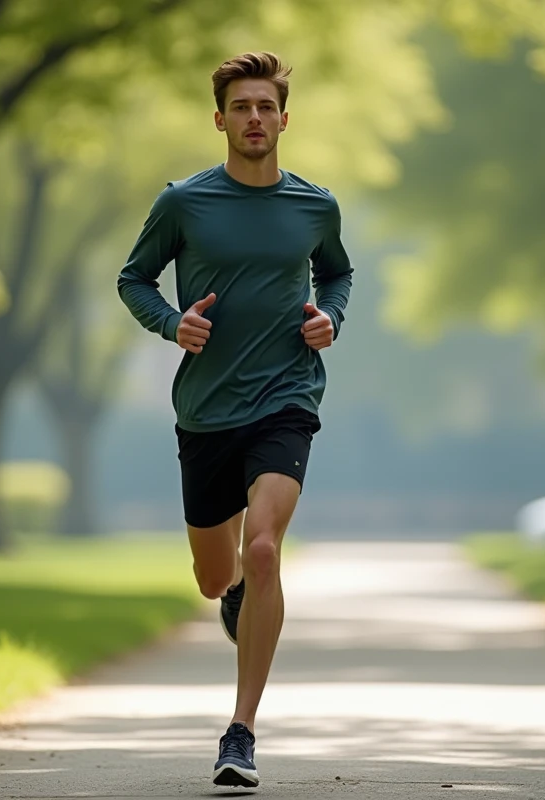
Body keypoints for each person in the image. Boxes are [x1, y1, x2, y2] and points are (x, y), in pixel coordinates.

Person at [115, 51, 353, 788]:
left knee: (265, 551)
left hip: (286, 399)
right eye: (241, 108)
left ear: (285, 118)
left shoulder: (316, 206)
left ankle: (240, 733)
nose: (255, 118)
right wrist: (171, 323)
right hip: (207, 412)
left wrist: (330, 319)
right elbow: (133, 278)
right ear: (221, 119)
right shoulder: (185, 203)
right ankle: (240, 599)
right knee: (216, 578)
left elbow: (337, 272)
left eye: (266, 107)